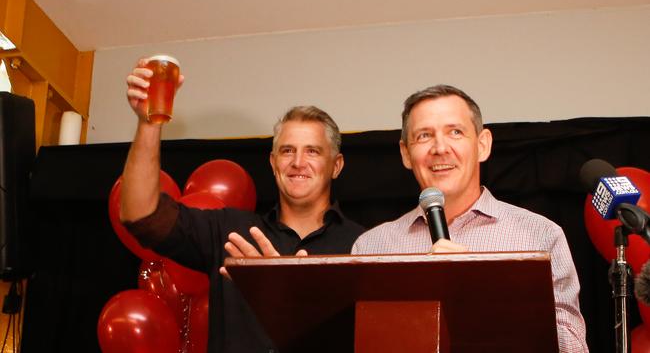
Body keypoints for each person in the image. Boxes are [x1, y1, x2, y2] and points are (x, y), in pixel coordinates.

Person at [121, 58, 365, 353]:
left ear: (336, 165)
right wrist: (149, 123)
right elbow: (141, 215)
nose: (298, 162)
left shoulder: (363, 246)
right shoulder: (229, 232)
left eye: (312, 151)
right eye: (287, 151)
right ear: (273, 163)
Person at [352, 84, 588, 352]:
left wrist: (483, 296)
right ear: (406, 153)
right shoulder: (371, 248)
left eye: (455, 132)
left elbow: (573, 348)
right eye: (424, 136)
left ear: (482, 144)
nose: (440, 148)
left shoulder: (540, 236)